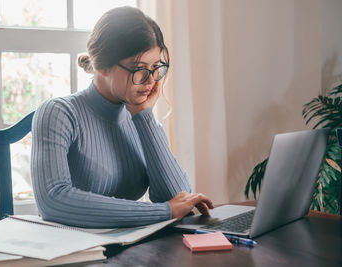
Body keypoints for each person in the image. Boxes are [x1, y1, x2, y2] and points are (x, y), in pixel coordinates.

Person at [31, 6, 213, 228]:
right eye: (139, 69)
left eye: (156, 68)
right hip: (78, 255)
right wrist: (163, 211)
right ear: (103, 66)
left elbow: (177, 198)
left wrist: (144, 116)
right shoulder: (58, 113)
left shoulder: (138, 117)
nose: (150, 81)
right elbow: (53, 201)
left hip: (130, 249)